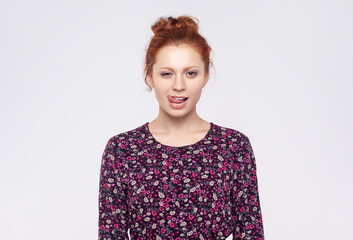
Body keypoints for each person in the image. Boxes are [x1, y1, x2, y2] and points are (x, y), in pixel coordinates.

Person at [98, 15, 264, 240]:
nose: (178, 85)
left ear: (205, 76)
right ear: (150, 77)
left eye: (191, 73)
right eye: (167, 74)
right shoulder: (122, 150)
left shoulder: (233, 147)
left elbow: (250, 233)